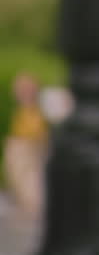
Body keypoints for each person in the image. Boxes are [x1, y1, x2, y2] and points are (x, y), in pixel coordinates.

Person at [5, 72, 50, 219]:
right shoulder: (23, 110)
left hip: (32, 146)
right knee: (22, 180)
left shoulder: (38, 109)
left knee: (32, 180)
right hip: (21, 145)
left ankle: (33, 208)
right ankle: (29, 208)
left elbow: (40, 131)